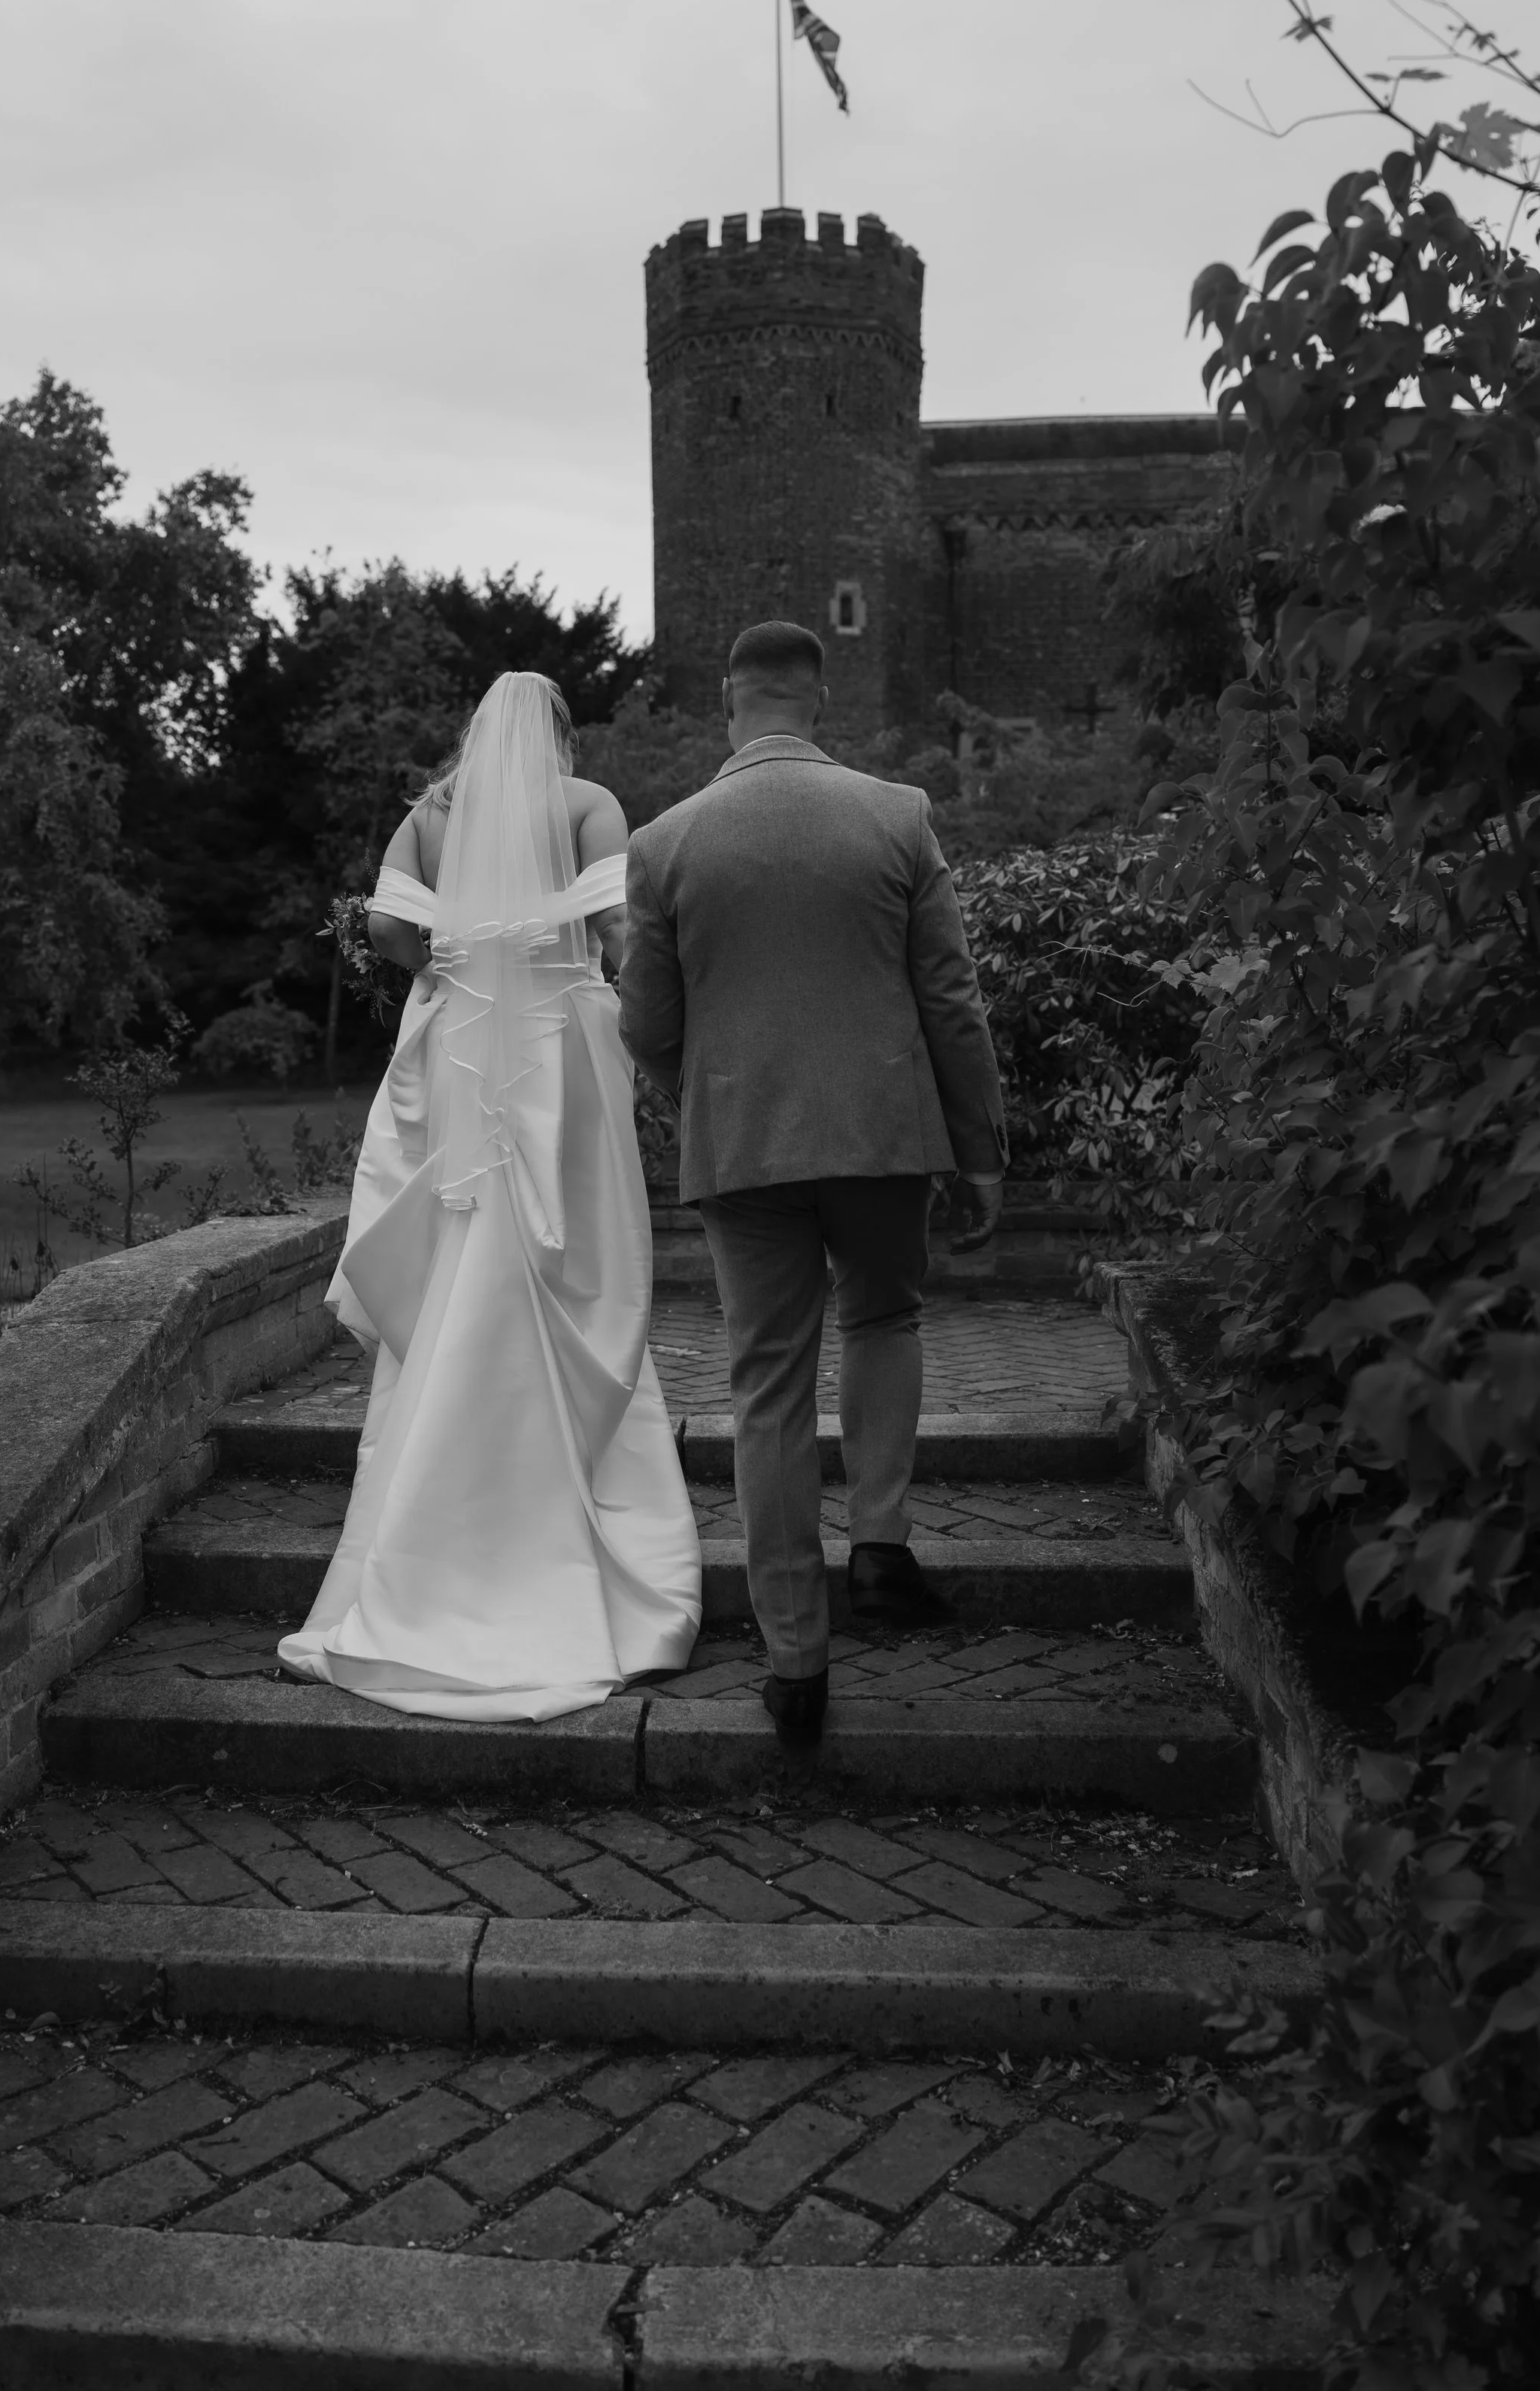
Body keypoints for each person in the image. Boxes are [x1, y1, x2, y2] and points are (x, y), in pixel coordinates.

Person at [278, 670, 701, 1720]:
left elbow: (387, 932)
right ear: (557, 734)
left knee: (465, 1244)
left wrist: (455, 963)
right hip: (558, 1055)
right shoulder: (587, 803)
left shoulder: (432, 815)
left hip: (461, 1053)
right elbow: (619, 932)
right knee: (574, 1258)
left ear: (476, 731)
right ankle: (582, 1535)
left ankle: (428, 1538)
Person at [620, 621, 1007, 1744]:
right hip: (884, 1131)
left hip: (742, 1143)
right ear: (820, 702)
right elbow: (953, 997)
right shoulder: (898, 814)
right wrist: (978, 1148)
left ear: (730, 704)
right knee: (885, 1312)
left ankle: (795, 1661)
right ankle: (880, 1544)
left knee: (768, 1385)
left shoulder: (666, 841)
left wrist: (710, 1088)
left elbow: (645, 1020)